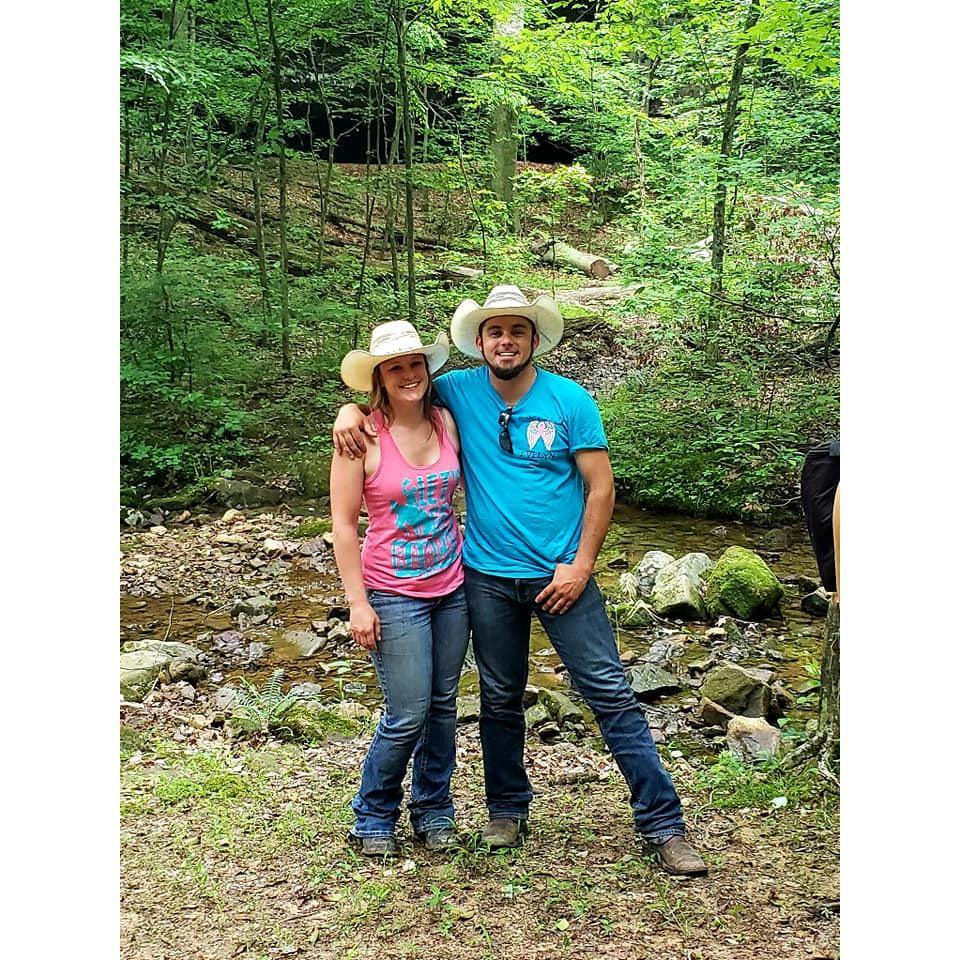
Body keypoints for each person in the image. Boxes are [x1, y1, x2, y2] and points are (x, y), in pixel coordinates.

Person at [334, 286, 707, 876]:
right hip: (484, 577)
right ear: (479, 341)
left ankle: (664, 825)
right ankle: (506, 809)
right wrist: (349, 412)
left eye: (516, 331)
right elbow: (390, 399)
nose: (505, 341)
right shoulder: (456, 393)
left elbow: (602, 488)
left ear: (535, 339)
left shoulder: (570, 400)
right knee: (499, 699)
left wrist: (581, 565)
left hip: (562, 577)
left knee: (610, 693)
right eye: (494, 331)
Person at [330, 320, 469, 857]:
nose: (408, 374)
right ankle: (372, 815)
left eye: (415, 364)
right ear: (379, 378)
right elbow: (344, 526)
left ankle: (433, 811)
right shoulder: (359, 437)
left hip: (452, 586)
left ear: (426, 369)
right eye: (395, 368)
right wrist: (357, 603)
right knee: (407, 711)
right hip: (392, 591)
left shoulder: (446, 421)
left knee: (442, 705)